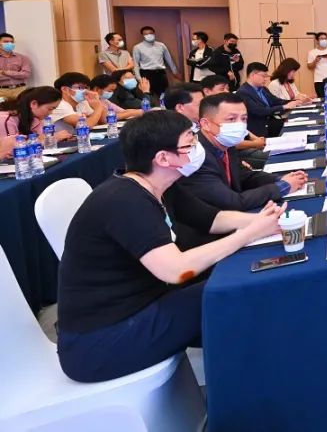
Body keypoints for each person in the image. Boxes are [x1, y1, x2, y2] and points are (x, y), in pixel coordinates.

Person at [56, 111, 286, 383]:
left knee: (233, 290)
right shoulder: (124, 200)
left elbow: (212, 219)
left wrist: (262, 221)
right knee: (233, 295)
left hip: (145, 305)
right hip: (101, 342)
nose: (196, 149)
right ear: (163, 158)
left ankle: (253, 375)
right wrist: (247, 235)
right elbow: (175, 270)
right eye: (189, 143)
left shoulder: (159, 185)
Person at [164, 93, 307, 250]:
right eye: (231, 119)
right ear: (205, 124)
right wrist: (282, 187)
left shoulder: (225, 144)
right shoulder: (194, 156)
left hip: (231, 225)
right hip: (207, 241)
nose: (239, 125)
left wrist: (279, 179)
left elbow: (244, 176)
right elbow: (232, 202)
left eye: (244, 119)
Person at [237, 62, 304, 137]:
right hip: (260, 130)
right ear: (253, 75)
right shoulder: (243, 92)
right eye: (264, 76)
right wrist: (284, 107)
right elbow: (260, 111)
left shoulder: (263, 89)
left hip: (272, 124)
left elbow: (276, 101)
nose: (266, 79)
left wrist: (295, 102)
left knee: (299, 126)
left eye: (266, 76)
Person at [0, 86, 71, 148]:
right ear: (34, 104)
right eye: (50, 109)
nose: (51, 113)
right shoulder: (5, 120)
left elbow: (38, 139)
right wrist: (52, 139)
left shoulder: (35, 118)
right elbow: (10, 149)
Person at [132, 26, 178, 96]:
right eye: (146, 34)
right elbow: (135, 64)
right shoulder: (137, 47)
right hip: (146, 74)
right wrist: (139, 78)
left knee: (164, 95)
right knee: (148, 96)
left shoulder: (161, 45)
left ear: (154, 33)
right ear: (143, 35)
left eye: (150, 33)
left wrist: (175, 71)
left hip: (161, 73)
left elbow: (169, 59)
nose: (149, 35)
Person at [0, 32, 32, 103]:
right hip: (1, 92)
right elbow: (21, 74)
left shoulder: (22, 58)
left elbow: (26, 74)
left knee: (21, 108)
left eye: (12, 42)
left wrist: (5, 72)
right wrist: (17, 74)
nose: (10, 44)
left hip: (20, 90)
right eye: (6, 42)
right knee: (2, 109)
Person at [305, 32, 327, 98]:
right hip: (319, 80)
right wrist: (315, 61)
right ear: (317, 41)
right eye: (321, 39)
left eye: (325, 38)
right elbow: (309, 66)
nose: (324, 40)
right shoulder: (312, 52)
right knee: (322, 99)